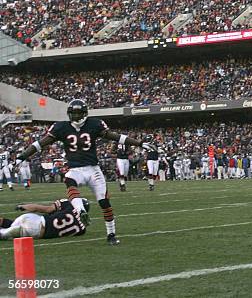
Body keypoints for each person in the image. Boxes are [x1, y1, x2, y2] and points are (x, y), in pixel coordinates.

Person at [14, 99, 156, 245]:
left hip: (93, 170)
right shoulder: (62, 127)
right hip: (76, 169)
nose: (75, 117)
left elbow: (116, 137)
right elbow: (40, 143)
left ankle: (111, 234)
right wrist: (22, 156)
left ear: (84, 113)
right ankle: (80, 210)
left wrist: (139, 143)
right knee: (69, 179)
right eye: (73, 114)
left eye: (78, 113)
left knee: (104, 202)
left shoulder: (92, 124)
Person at [1, 199, 90, 240]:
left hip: (33, 221)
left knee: (11, 224)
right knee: (5, 233)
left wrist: (23, 206)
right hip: (37, 230)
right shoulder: (82, 230)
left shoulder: (68, 204)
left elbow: (46, 209)